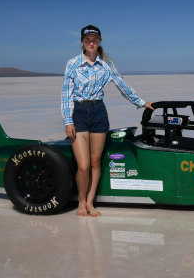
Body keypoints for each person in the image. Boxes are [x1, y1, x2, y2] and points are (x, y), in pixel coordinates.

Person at [61, 25, 153, 217]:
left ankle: (89, 201)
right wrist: (68, 120)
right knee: (83, 165)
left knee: (95, 162)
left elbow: (122, 86)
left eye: (94, 39)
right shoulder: (72, 64)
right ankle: (80, 200)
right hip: (78, 113)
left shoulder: (106, 66)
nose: (91, 42)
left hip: (98, 113)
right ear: (82, 42)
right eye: (88, 39)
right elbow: (66, 94)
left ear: (99, 41)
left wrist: (141, 103)